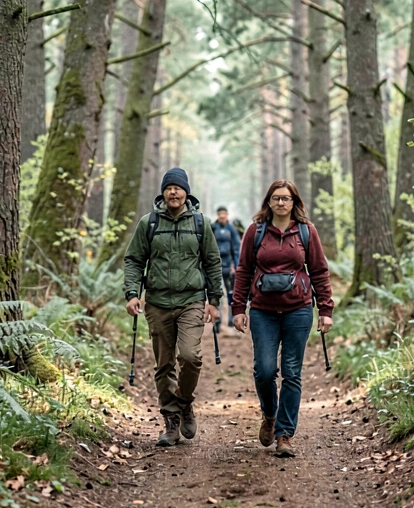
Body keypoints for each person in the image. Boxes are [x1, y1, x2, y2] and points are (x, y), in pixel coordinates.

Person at [231, 179, 333, 458]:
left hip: (298, 309)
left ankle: (284, 434)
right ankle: (270, 414)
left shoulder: (306, 231)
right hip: (263, 310)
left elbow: (320, 271)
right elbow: (243, 270)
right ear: (268, 201)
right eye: (276, 198)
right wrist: (238, 308)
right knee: (264, 371)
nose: (280, 203)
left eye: (286, 198)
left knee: (292, 372)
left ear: (294, 202)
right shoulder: (255, 231)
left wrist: (325, 310)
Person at [124, 167, 223, 447]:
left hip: (191, 300)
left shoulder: (200, 224)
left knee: (190, 357)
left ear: (186, 192)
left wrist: (214, 301)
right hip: (156, 302)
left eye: (178, 188)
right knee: (164, 363)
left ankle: (184, 402)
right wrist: (132, 293)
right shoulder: (149, 223)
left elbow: (213, 262)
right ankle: (170, 421)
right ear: (163, 192)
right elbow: (133, 259)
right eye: (169, 188)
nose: (173, 192)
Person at [211, 206, 241, 326]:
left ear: (227, 215)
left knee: (230, 293)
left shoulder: (232, 229)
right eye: (220, 214)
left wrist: (237, 266)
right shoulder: (213, 228)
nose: (222, 216)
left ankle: (231, 317)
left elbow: (236, 248)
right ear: (217, 215)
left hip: (229, 268)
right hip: (215, 267)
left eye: (224, 214)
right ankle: (217, 318)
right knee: (216, 293)